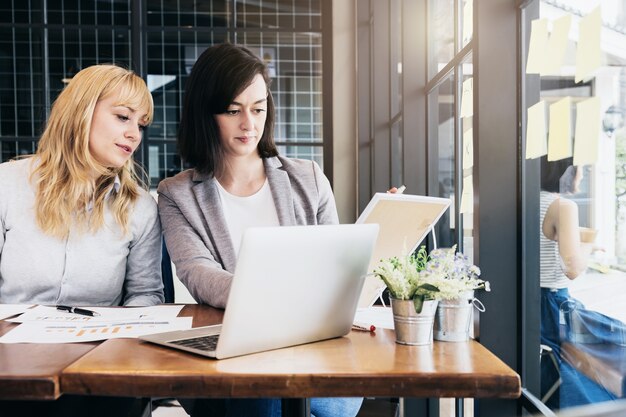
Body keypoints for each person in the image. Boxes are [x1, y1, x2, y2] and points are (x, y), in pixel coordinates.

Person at [157, 43, 362, 417]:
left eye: (258, 108)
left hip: (311, 348)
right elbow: (197, 271)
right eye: (233, 111)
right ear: (206, 113)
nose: (249, 124)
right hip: (229, 352)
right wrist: (272, 298)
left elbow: (336, 260)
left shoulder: (309, 178)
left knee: (324, 401)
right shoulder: (177, 194)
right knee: (262, 394)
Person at [0, 64, 164, 415]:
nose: (134, 134)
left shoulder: (140, 209)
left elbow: (146, 293)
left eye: (140, 124)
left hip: (100, 364)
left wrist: (122, 335)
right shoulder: (7, 186)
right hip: (12, 364)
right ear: (81, 111)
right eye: (123, 117)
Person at [539, 156, 615, 409]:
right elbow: (572, 267)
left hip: (526, 306)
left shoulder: (522, 200)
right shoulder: (562, 207)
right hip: (552, 310)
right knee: (617, 344)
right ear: (566, 171)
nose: (582, 175)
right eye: (581, 168)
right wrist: (589, 245)